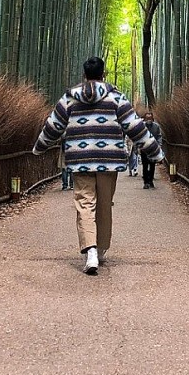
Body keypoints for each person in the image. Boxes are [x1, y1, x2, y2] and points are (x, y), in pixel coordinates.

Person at [33, 56, 164, 275]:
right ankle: (100, 249)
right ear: (103, 75)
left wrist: (39, 146)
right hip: (108, 160)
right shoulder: (115, 98)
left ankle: (90, 250)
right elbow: (135, 127)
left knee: (84, 203)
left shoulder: (70, 98)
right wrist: (155, 152)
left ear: (84, 76)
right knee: (104, 204)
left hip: (80, 161)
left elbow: (53, 126)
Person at [140, 109, 163, 189]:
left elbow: (159, 136)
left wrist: (159, 145)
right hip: (144, 148)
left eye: (150, 118)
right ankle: (146, 182)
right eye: (147, 118)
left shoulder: (156, 126)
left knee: (152, 165)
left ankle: (151, 181)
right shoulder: (141, 126)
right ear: (145, 119)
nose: (148, 120)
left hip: (153, 148)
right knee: (145, 165)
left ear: (152, 118)